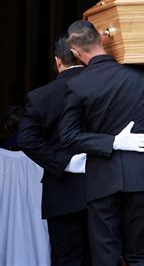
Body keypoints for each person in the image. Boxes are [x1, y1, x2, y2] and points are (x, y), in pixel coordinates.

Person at [60, 20, 144, 266]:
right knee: (140, 253)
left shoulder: (77, 84)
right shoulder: (142, 75)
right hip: (143, 175)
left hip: (103, 180)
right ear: (102, 39)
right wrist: (119, 141)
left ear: (75, 53)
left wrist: (111, 143)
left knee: (105, 254)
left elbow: (68, 135)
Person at [18, 37, 90, 265]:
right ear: (82, 55)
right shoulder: (103, 87)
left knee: (66, 259)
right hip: (103, 188)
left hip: (62, 192)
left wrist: (65, 162)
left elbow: (27, 140)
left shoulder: (40, 96)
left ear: (57, 61)